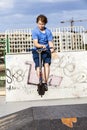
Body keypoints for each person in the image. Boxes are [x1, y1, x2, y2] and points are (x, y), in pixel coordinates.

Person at [32, 14, 54, 91]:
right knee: (38, 66)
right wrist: (41, 46)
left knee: (46, 65)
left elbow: (50, 42)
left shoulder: (48, 31)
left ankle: (45, 82)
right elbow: (36, 43)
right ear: (37, 23)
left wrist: (51, 48)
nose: (41, 25)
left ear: (45, 23)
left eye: (42, 24)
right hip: (37, 50)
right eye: (39, 24)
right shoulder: (35, 31)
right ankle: (40, 81)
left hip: (46, 51)